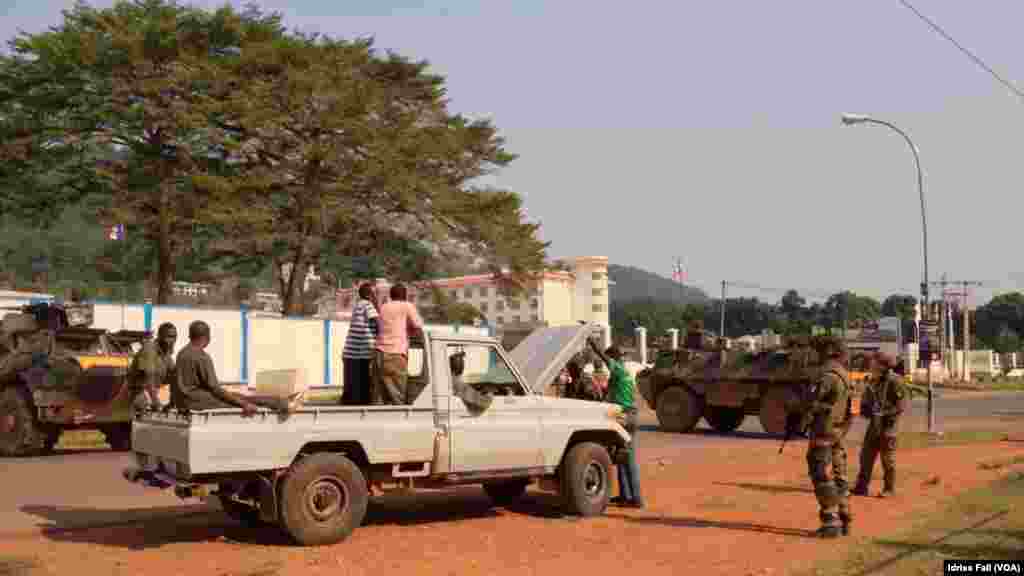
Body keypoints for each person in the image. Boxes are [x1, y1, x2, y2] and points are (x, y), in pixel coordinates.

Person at [171, 320, 302, 414]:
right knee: (244, 398)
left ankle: (282, 401)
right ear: (206, 337)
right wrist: (243, 405)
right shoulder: (201, 356)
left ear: (190, 335)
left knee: (237, 395)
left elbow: (177, 382)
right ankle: (285, 404)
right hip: (198, 401)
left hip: (186, 401)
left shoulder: (181, 353)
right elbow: (215, 389)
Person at [800, 335, 854, 538]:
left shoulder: (827, 376)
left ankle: (830, 521)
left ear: (827, 352)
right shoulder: (845, 376)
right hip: (838, 432)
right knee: (839, 475)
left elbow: (811, 402)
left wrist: (804, 416)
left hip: (824, 432)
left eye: (817, 351)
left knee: (821, 474)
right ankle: (845, 514)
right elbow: (852, 410)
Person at [588, 337, 643, 509]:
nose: (605, 364)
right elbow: (609, 394)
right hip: (627, 415)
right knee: (622, 457)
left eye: (609, 359)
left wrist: (593, 343)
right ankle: (625, 496)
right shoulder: (622, 373)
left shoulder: (618, 369)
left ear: (614, 358)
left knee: (629, 458)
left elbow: (605, 358)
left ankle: (636, 498)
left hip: (625, 416)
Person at [852, 352, 907, 498]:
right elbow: (867, 403)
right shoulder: (872, 381)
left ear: (882, 366)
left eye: (874, 362)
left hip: (888, 427)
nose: (871, 364)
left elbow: (900, 406)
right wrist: (862, 409)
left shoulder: (895, 381)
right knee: (865, 457)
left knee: (887, 460)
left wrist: (883, 413)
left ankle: (889, 489)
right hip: (874, 426)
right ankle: (861, 487)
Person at [373, 283, 424, 405]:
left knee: (382, 398)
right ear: (405, 295)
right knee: (398, 399)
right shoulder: (407, 306)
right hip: (395, 354)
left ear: (391, 295)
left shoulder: (384, 307)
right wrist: (410, 333)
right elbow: (418, 325)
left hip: (379, 355)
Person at [341, 283, 380, 406]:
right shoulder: (368, 306)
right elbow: (378, 322)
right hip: (360, 353)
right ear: (370, 294)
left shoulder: (358, 305)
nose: (376, 295)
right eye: (374, 293)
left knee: (352, 386)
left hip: (351, 352)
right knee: (362, 386)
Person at [131, 322, 177, 412]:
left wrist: (173, 402)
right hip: (135, 391)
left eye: (174, 337)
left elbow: (175, 375)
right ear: (160, 336)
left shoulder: (166, 352)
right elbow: (149, 379)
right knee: (142, 404)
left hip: (152, 391)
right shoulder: (149, 350)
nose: (172, 340)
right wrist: (156, 403)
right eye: (169, 337)